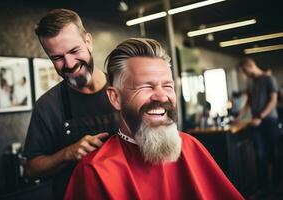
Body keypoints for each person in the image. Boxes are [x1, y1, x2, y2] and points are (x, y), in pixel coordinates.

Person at [64, 38, 244, 200]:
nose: (161, 96)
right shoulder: (94, 172)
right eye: (146, 87)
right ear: (115, 98)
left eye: (167, 86)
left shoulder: (191, 146)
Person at [23, 9, 118, 200]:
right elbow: (31, 169)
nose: (69, 64)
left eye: (74, 51)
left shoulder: (124, 90)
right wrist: (68, 153)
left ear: (88, 41)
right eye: (57, 58)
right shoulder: (48, 106)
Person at [237, 58, 281, 194]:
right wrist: (238, 117)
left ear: (250, 66)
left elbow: (274, 100)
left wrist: (261, 116)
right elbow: (249, 102)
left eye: (245, 71)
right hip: (256, 123)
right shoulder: (252, 83)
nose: (245, 74)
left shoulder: (269, 79)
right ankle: (263, 188)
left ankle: (277, 187)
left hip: (269, 121)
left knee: (275, 154)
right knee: (260, 155)